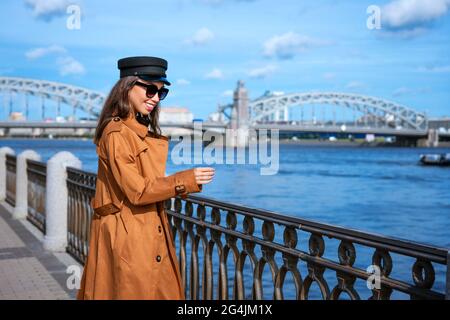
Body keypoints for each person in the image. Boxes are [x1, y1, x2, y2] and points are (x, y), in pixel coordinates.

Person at [76, 56, 215, 300]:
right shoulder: (118, 134)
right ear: (127, 87)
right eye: (150, 89)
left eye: (161, 93)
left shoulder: (135, 132)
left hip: (140, 229)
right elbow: (137, 191)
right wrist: (186, 179)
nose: (154, 98)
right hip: (129, 235)